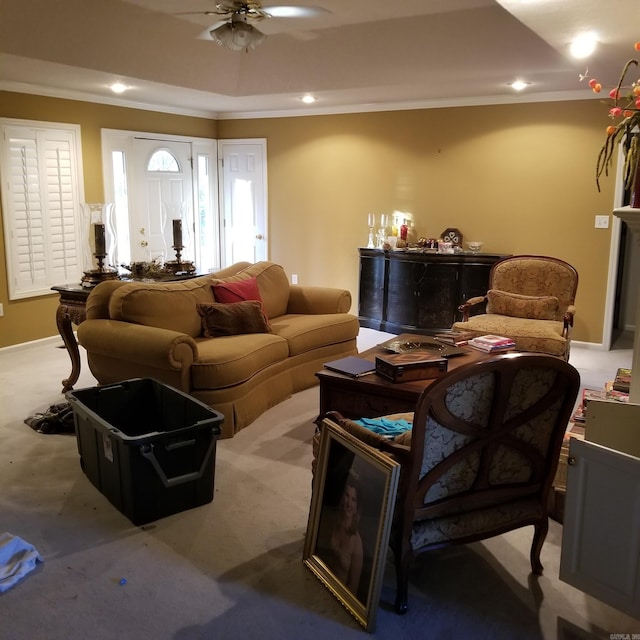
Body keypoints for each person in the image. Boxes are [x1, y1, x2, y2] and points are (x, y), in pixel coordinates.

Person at [319, 470, 364, 594]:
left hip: (339, 593)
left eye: (353, 499)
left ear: (357, 507)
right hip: (321, 579)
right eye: (347, 496)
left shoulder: (357, 543)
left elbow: (353, 586)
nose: (349, 503)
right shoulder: (331, 521)